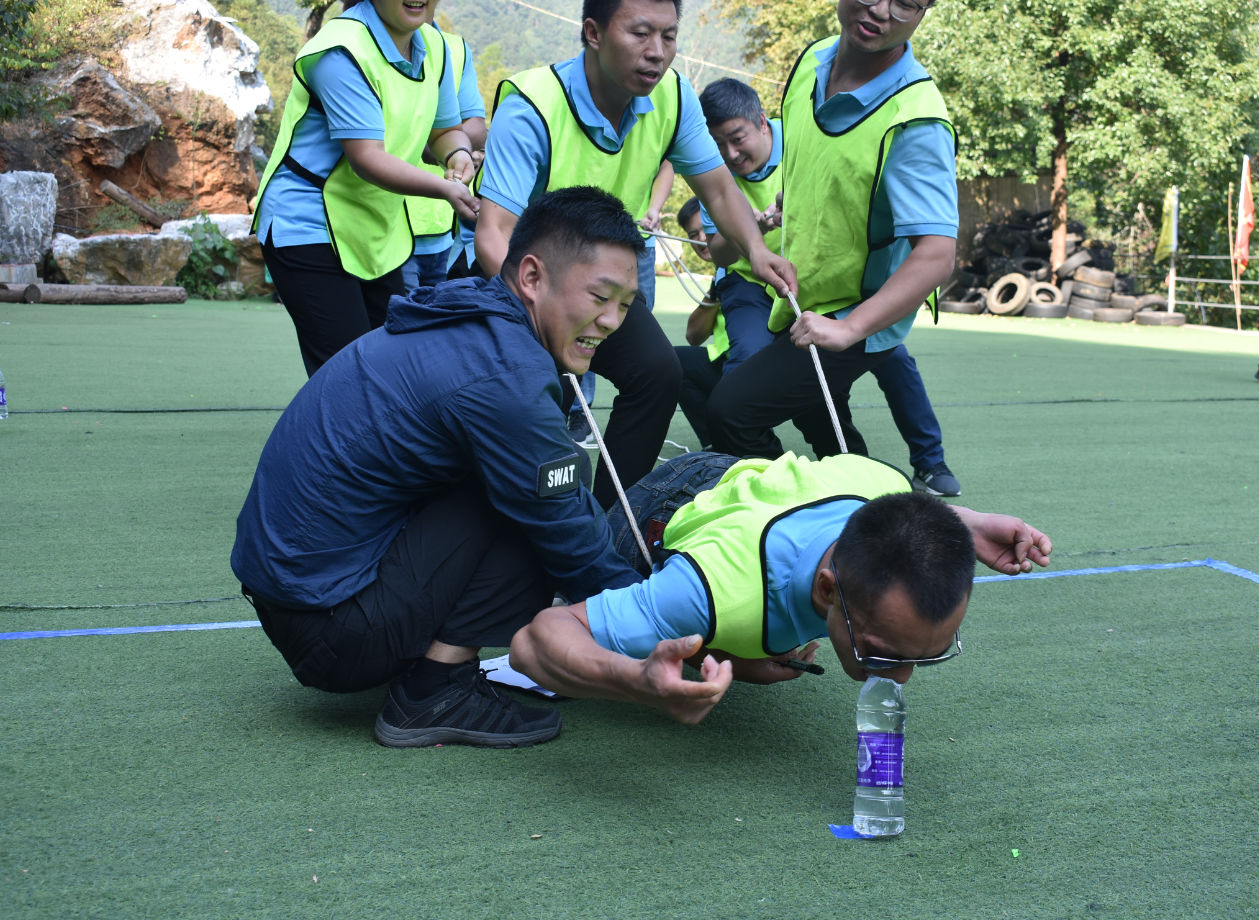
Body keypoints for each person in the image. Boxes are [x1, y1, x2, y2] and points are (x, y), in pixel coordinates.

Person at [231, 187, 649, 750]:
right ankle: (435, 690)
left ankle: (430, 666)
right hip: (331, 627)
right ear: (530, 278)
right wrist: (667, 619)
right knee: (536, 503)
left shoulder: (471, 312)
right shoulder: (508, 377)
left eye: (625, 304)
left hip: (299, 597)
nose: (612, 321)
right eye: (600, 296)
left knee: (532, 482)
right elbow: (568, 531)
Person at [474, 0, 796, 508]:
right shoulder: (533, 104)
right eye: (641, 34)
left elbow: (716, 190)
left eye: (669, 37)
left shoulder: (673, 98)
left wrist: (755, 250)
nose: (657, 53)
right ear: (593, 33)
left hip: (602, 288)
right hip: (525, 290)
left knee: (658, 372)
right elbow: (494, 235)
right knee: (531, 404)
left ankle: (609, 522)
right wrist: (542, 314)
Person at [509, 450, 1052, 721]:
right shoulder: (708, 588)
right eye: (883, 655)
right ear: (826, 589)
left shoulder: (886, 489)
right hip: (668, 513)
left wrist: (969, 521)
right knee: (606, 592)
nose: (902, 678)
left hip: (756, 484)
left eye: (925, 657)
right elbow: (534, 642)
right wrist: (633, 681)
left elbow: (913, 515)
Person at [706, 0, 961, 500]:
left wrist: (849, 329)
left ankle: (806, 522)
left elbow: (937, 253)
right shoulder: (812, 60)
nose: (881, 10)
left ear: (926, 9)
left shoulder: (915, 118)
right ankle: (876, 524)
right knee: (830, 436)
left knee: (731, 410)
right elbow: (818, 160)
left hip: (852, 314)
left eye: (906, 2)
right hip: (801, 302)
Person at [252, 0, 478, 377]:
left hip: (374, 230)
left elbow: (444, 129)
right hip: (307, 225)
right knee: (348, 375)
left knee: (388, 369)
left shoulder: (435, 45)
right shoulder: (341, 49)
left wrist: (456, 153)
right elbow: (367, 157)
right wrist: (445, 188)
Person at [399, 0, 489, 291]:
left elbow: (476, 127)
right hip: (390, 227)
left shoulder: (455, 47)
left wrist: (446, 144)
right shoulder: (367, 44)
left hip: (442, 228)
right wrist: (443, 141)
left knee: (431, 329)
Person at [672, 197, 728, 449]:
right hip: (727, 361)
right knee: (674, 362)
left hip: (753, 361)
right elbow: (693, 335)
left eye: (706, 228)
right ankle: (714, 446)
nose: (701, 239)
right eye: (693, 233)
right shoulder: (721, 274)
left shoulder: (747, 261)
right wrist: (716, 290)